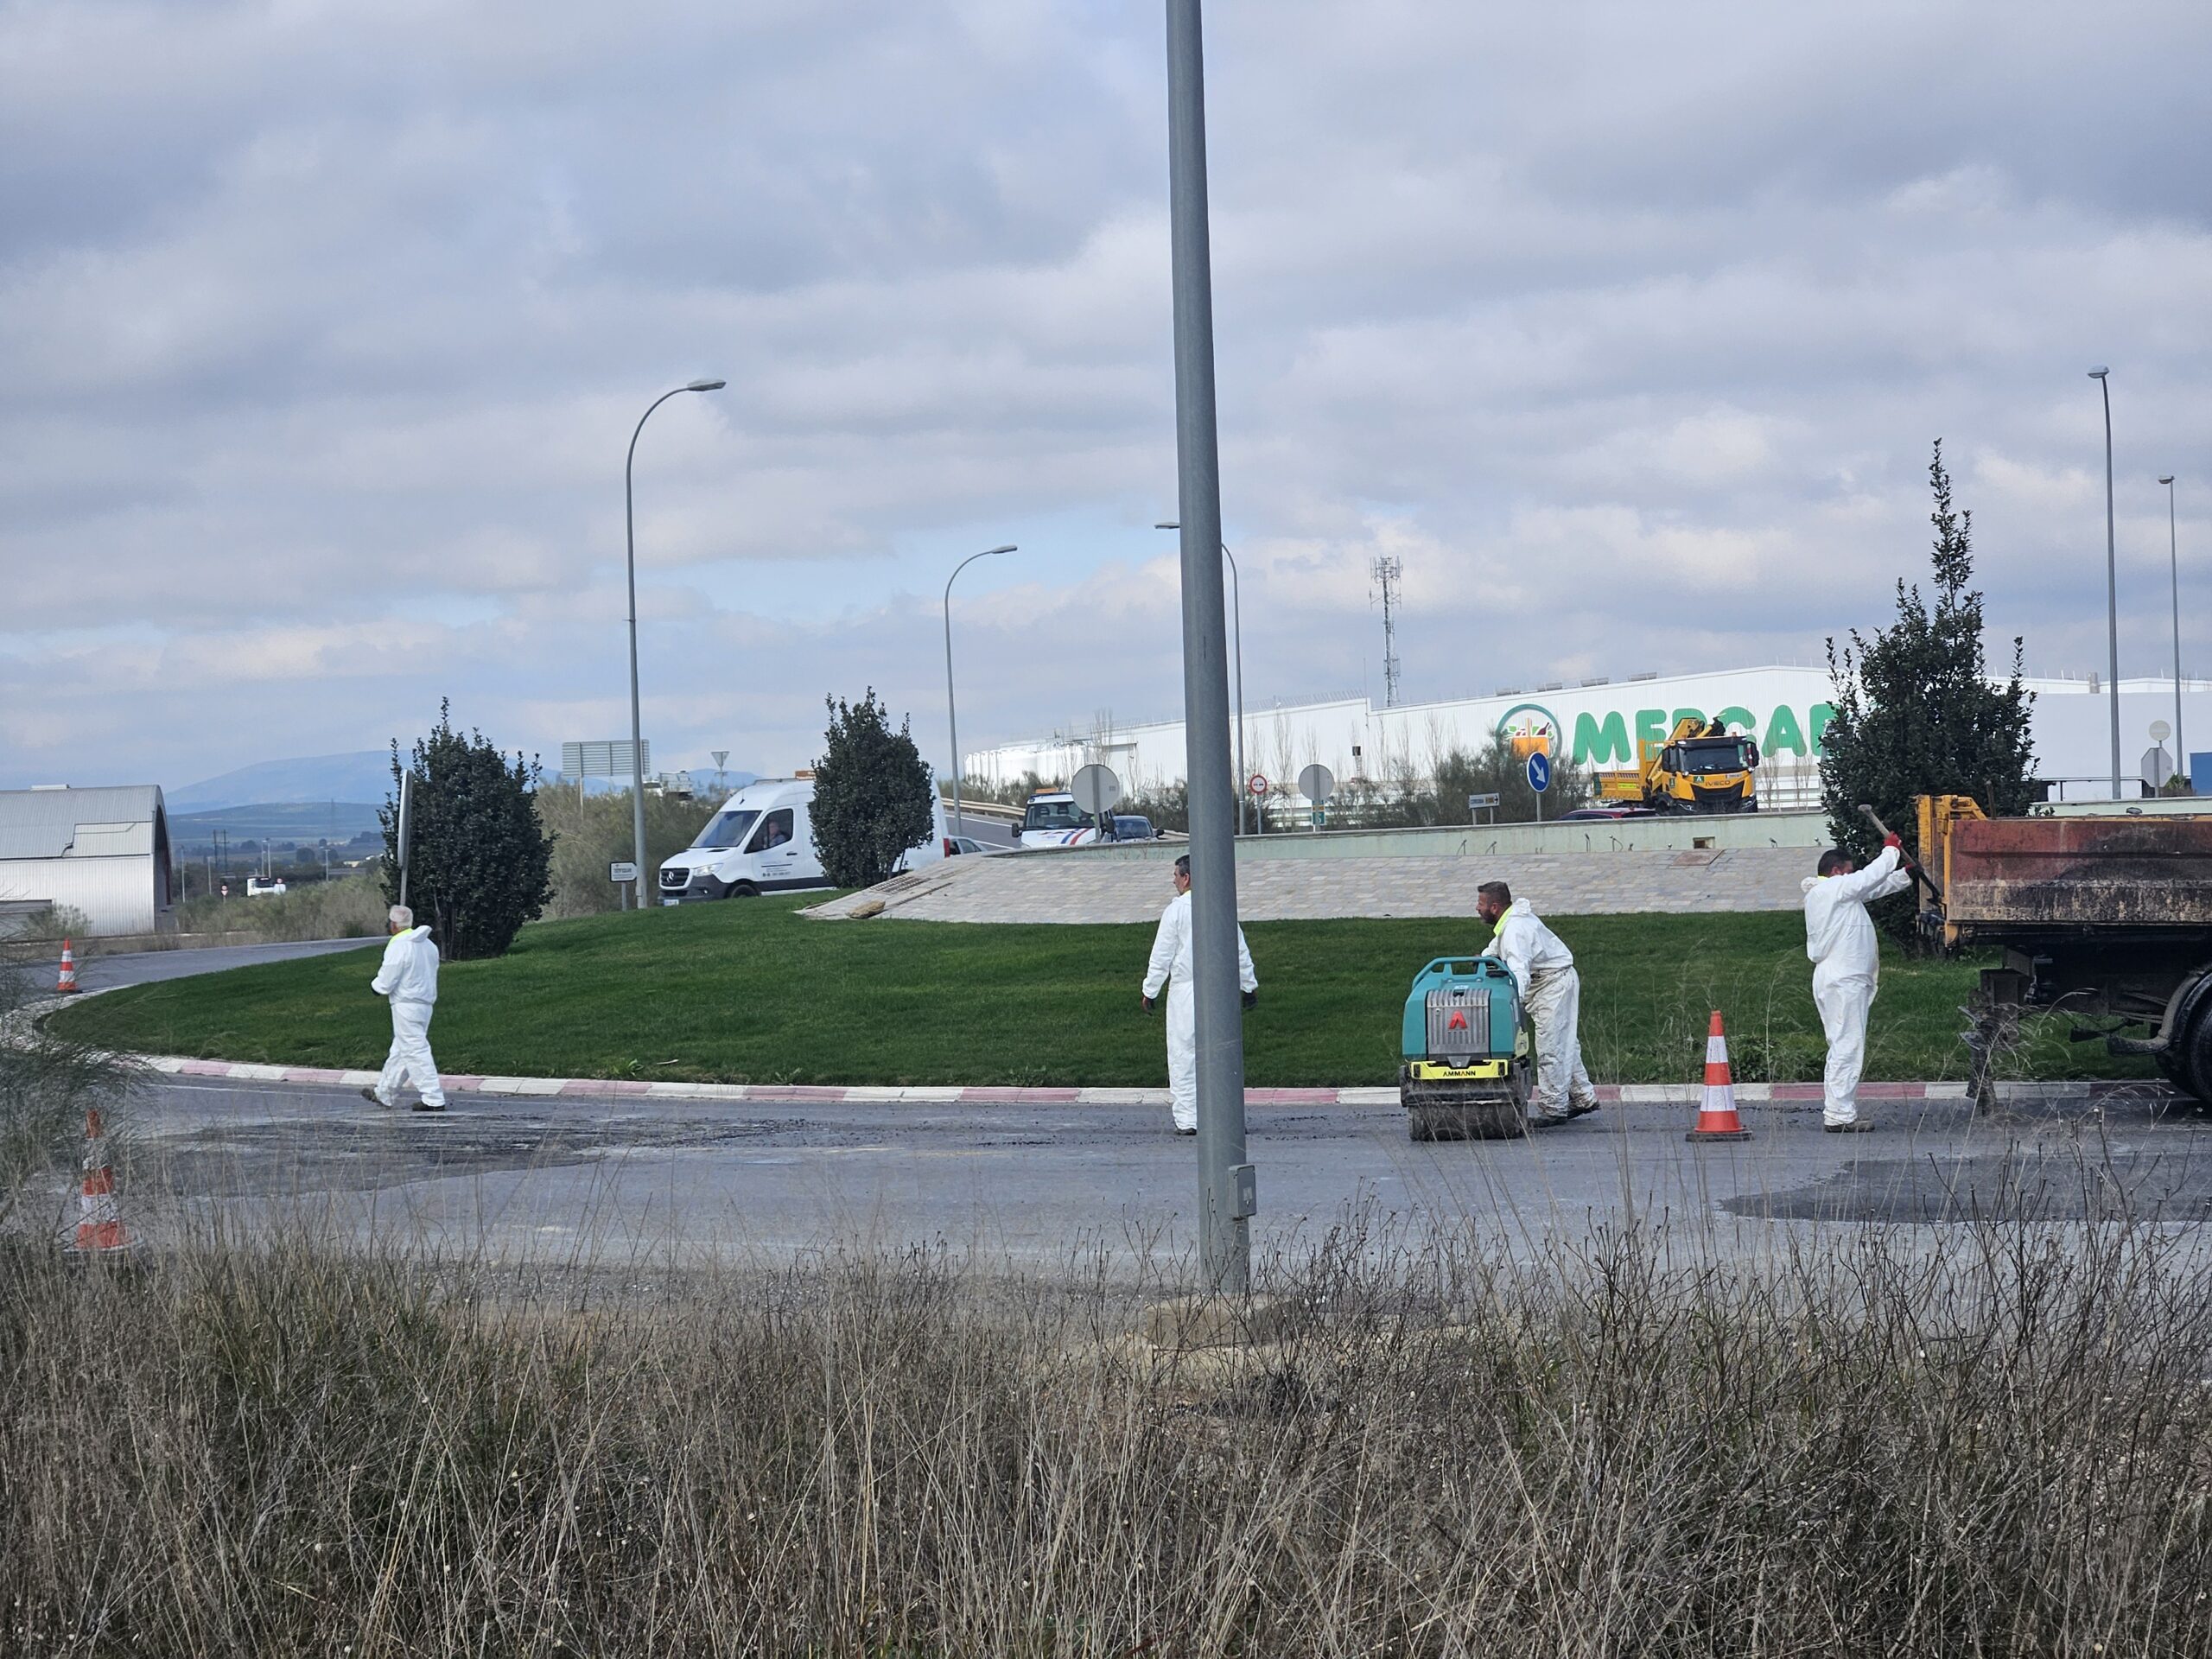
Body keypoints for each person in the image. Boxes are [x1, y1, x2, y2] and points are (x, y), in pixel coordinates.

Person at [1141, 854, 1257, 1135]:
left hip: (1185, 992)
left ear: (1187, 878)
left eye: (1175, 875)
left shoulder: (1176, 911)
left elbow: (1162, 955)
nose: (1173, 880)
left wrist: (1150, 990)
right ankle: (1227, 1117)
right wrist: (1249, 985)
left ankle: (1188, 1120)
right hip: (1221, 992)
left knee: (1184, 1056)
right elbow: (1238, 949)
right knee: (1222, 1055)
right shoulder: (1220, 906)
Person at [1803, 836, 1913, 1132]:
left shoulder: (1835, 894)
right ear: (1838, 871)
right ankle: (1839, 1115)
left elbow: (1872, 887)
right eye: (1849, 872)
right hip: (1843, 980)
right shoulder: (1830, 889)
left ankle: (1838, 1111)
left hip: (1840, 979)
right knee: (1847, 1045)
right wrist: (1891, 850)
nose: (1853, 876)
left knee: (1842, 1044)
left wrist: (1904, 876)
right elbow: (1868, 878)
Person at [1475, 880, 1598, 1127]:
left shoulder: (1515, 930)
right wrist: (1484, 959)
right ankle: (1583, 1097)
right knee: (1564, 1042)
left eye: (1481, 904)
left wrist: (1512, 1007)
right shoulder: (1510, 924)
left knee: (1552, 1046)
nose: (1477, 908)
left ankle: (1554, 1109)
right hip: (1549, 982)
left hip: (1552, 985)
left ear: (1495, 907)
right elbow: (1498, 948)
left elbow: (1519, 971)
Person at [361, 904, 446, 1113]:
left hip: (405, 1003)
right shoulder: (428, 945)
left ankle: (433, 1098)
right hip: (425, 1003)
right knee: (402, 1049)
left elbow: (390, 972)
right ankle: (385, 1093)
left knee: (416, 1049)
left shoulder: (399, 944)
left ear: (394, 925)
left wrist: (377, 987)